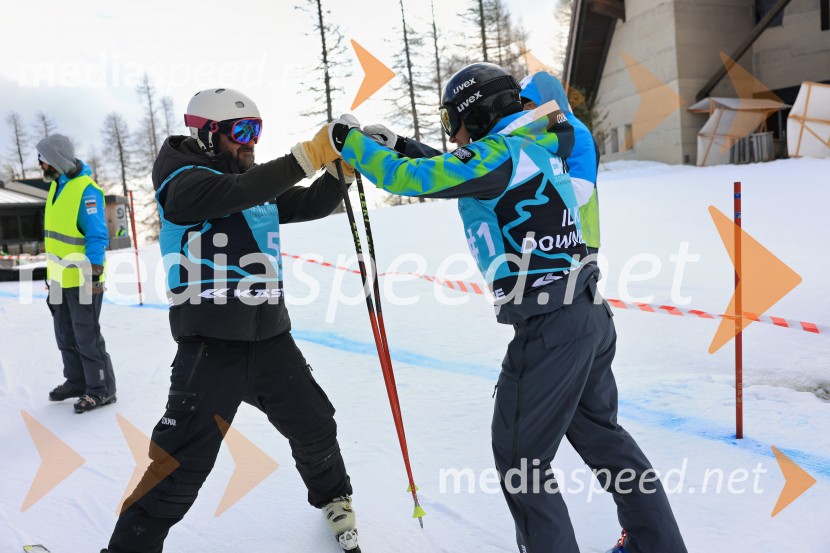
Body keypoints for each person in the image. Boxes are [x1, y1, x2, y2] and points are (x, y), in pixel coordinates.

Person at [329, 63, 687, 553]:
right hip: (587, 316)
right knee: (603, 438)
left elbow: (411, 179)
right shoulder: (530, 147)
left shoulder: (501, 154)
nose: (451, 134)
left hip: (551, 329)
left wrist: (349, 141)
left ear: (475, 114)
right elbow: (461, 170)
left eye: (451, 120)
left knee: (522, 462)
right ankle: (657, 543)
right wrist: (401, 144)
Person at [105, 88, 359, 553]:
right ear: (207, 134)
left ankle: (334, 498)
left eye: (257, 130)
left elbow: (310, 203)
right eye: (241, 131)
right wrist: (310, 154)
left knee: (315, 424)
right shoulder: (183, 183)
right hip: (210, 348)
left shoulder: (253, 185)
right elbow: (236, 192)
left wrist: (341, 168)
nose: (251, 141)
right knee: (180, 464)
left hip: (271, 340)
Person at [38, 133, 117, 413]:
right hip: (59, 279)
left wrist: (94, 274)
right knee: (65, 336)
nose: (40, 165)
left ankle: (101, 389)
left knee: (87, 337)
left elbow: (96, 235)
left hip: (83, 279)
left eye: (43, 160)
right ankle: (76, 381)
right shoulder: (56, 186)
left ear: (55, 160)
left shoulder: (87, 190)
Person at [520, 71, 602, 255]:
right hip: (552, 238)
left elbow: (580, 190)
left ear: (546, 101)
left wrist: (526, 198)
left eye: (529, 105)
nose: (524, 113)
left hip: (579, 239)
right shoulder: (540, 134)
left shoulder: (576, 132)